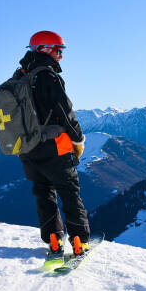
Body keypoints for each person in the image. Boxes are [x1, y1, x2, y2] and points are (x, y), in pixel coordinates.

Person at [16, 30, 90, 256]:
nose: (61, 55)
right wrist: (78, 138)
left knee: (42, 190)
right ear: (45, 49)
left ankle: (53, 239)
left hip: (27, 147)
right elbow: (65, 112)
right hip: (54, 145)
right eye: (59, 50)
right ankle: (79, 242)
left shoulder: (19, 77)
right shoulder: (48, 76)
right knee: (69, 191)